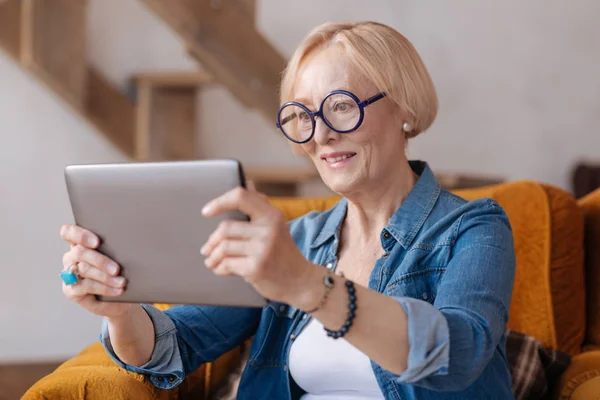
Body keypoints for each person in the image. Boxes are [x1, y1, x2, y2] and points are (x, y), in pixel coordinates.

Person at [60, 21, 516, 399]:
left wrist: (303, 283)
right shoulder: (298, 239)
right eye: (303, 115)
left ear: (404, 107)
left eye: (341, 106)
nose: (320, 135)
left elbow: (458, 356)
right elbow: (174, 348)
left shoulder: (473, 227)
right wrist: (119, 308)